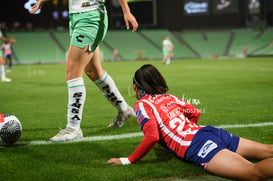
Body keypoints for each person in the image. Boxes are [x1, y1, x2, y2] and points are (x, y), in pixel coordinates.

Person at [107, 64, 273, 181]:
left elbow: (152, 137)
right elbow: (195, 112)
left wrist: (129, 160)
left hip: (198, 144)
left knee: (252, 173)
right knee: (268, 150)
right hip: (208, 132)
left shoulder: (142, 105)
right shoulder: (169, 97)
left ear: (136, 88)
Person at [30, 0, 138, 142]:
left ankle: (73, 128)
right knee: (93, 72)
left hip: (90, 16)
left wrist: (126, 11)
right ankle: (124, 110)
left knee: (72, 71)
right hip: (76, 16)